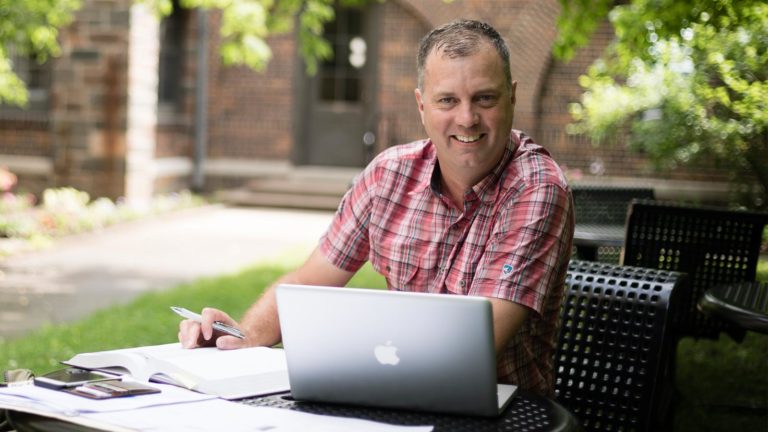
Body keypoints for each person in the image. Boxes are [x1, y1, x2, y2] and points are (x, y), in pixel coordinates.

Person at [179, 19, 574, 397]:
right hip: (393, 397)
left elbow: (473, 348)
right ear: (422, 105)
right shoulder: (389, 175)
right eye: (447, 100)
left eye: (484, 98)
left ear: (513, 96)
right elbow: (305, 285)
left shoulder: (536, 188)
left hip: (506, 413)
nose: (467, 118)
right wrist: (242, 339)